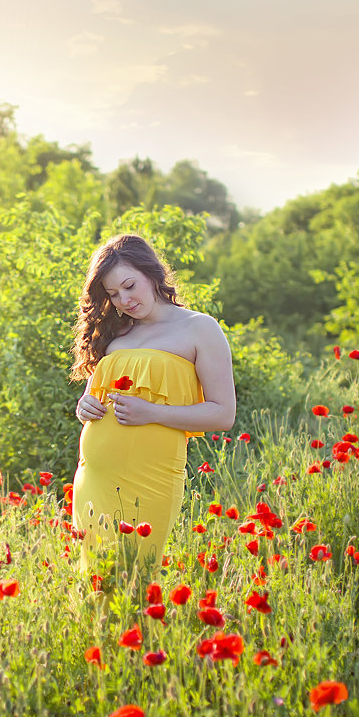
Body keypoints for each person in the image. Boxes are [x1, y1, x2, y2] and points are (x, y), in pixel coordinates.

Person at [69, 233, 236, 583]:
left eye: (129, 286)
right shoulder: (116, 334)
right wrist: (84, 406)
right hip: (96, 478)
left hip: (152, 478)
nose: (124, 300)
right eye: (113, 295)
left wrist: (152, 413)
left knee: (136, 582)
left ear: (152, 273)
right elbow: (91, 397)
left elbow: (223, 414)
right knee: (94, 583)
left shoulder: (199, 328)